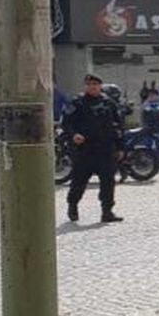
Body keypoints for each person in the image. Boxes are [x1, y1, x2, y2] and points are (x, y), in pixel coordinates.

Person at [62, 73, 125, 223]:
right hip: (85, 150)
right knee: (79, 181)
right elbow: (67, 123)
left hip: (106, 149)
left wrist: (120, 147)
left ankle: (107, 211)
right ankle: (73, 206)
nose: (93, 87)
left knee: (108, 181)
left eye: (95, 84)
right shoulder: (77, 102)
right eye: (89, 85)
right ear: (85, 86)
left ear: (100, 86)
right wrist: (74, 134)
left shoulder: (109, 103)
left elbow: (118, 126)